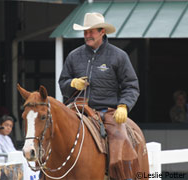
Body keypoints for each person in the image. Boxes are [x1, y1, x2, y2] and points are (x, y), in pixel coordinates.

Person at [59, 12, 140, 179]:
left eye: (91, 31)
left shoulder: (119, 56)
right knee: (53, 132)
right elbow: (63, 83)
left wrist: (124, 105)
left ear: (102, 32)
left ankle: (126, 176)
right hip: (77, 109)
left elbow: (131, 86)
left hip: (107, 110)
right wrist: (72, 83)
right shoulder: (74, 56)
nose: (87, 35)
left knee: (120, 140)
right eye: (85, 32)